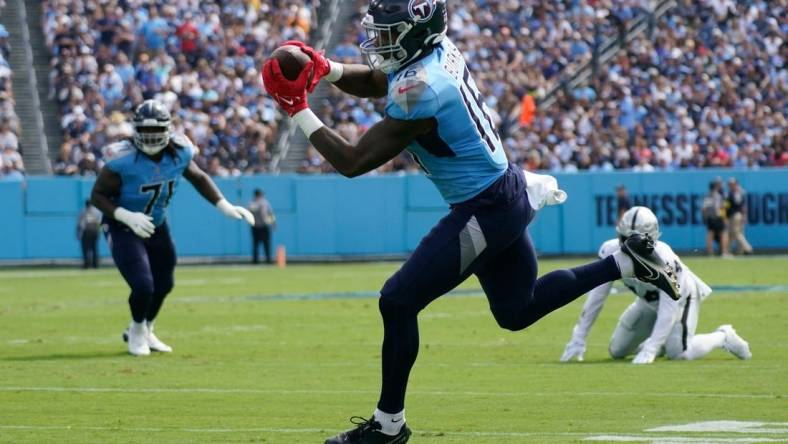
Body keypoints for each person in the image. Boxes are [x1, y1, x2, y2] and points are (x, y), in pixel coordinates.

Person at [262, 1, 680, 442]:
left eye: (389, 34)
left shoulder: (422, 88)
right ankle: (626, 263)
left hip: (485, 207)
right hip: (502, 192)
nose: (379, 42)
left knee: (398, 301)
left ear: (413, 33)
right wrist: (326, 68)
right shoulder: (433, 55)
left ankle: (388, 425)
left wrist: (297, 110)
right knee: (518, 311)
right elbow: (379, 79)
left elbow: (352, 160)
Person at [90, 100, 254, 356]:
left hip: (156, 223)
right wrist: (125, 215)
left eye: (157, 132)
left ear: (168, 130)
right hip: (123, 226)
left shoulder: (180, 152)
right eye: (146, 132)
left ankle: (148, 329)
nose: (152, 137)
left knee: (164, 283)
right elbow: (97, 196)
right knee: (143, 285)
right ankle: (135, 331)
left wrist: (223, 204)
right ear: (135, 131)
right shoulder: (121, 159)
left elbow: (199, 177)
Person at [560, 206, 752, 365]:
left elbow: (669, 307)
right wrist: (578, 338)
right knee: (617, 351)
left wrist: (651, 347)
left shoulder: (665, 259)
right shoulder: (609, 251)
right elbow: (596, 298)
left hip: (681, 298)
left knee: (679, 352)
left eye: (635, 242)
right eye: (625, 240)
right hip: (647, 301)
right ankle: (661, 344)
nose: (629, 248)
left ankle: (723, 336)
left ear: (651, 240)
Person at [701, 179, 731, 257]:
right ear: (715, 187)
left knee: (710, 235)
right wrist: (724, 218)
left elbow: (704, 208)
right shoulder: (718, 196)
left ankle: (710, 252)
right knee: (723, 234)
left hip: (710, 218)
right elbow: (721, 208)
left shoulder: (707, 195)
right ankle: (724, 252)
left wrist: (704, 217)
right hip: (718, 217)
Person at [726, 178, 753, 255]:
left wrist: (744, 215)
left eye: (731, 184)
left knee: (737, 233)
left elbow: (741, 206)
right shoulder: (738, 192)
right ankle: (731, 251)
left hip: (735, 215)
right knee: (732, 234)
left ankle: (748, 248)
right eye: (729, 184)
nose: (730, 186)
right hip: (737, 215)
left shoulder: (736, 193)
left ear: (736, 184)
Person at [249, 188, 276, 264]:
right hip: (262, 226)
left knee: (259, 244)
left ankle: (259, 260)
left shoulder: (252, 203)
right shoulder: (263, 203)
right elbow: (270, 214)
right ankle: (266, 260)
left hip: (257, 226)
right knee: (262, 244)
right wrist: (274, 223)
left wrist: (273, 223)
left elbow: (270, 213)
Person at [76, 199, 102, 269]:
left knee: (85, 249)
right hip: (94, 231)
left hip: (86, 232)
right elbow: (99, 223)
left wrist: (78, 234)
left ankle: (86, 264)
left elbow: (79, 224)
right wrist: (99, 233)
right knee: (94, 249)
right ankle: (95, 265)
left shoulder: (83, 212)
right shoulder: (96, 212)